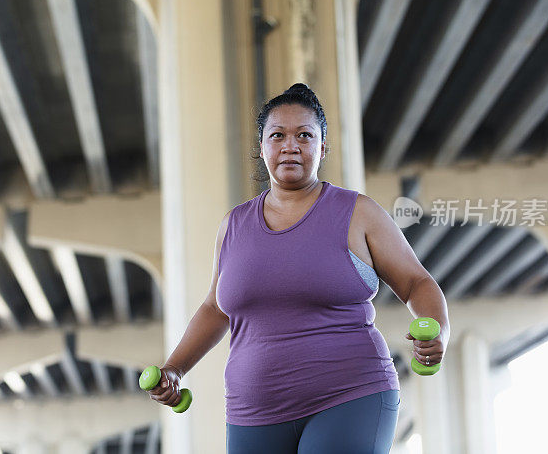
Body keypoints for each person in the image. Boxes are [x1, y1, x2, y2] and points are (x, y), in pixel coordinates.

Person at [147, 83, 450, 453]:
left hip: (350, 397)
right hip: (252, 412)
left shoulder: (359, 213)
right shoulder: (233, 225)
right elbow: (215, 308)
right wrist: (175, 369)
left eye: (305, 135)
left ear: (322, 148)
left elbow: (416, 282)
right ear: (262, 148)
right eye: (278, 135)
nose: (291, 145)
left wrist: (439, 333)